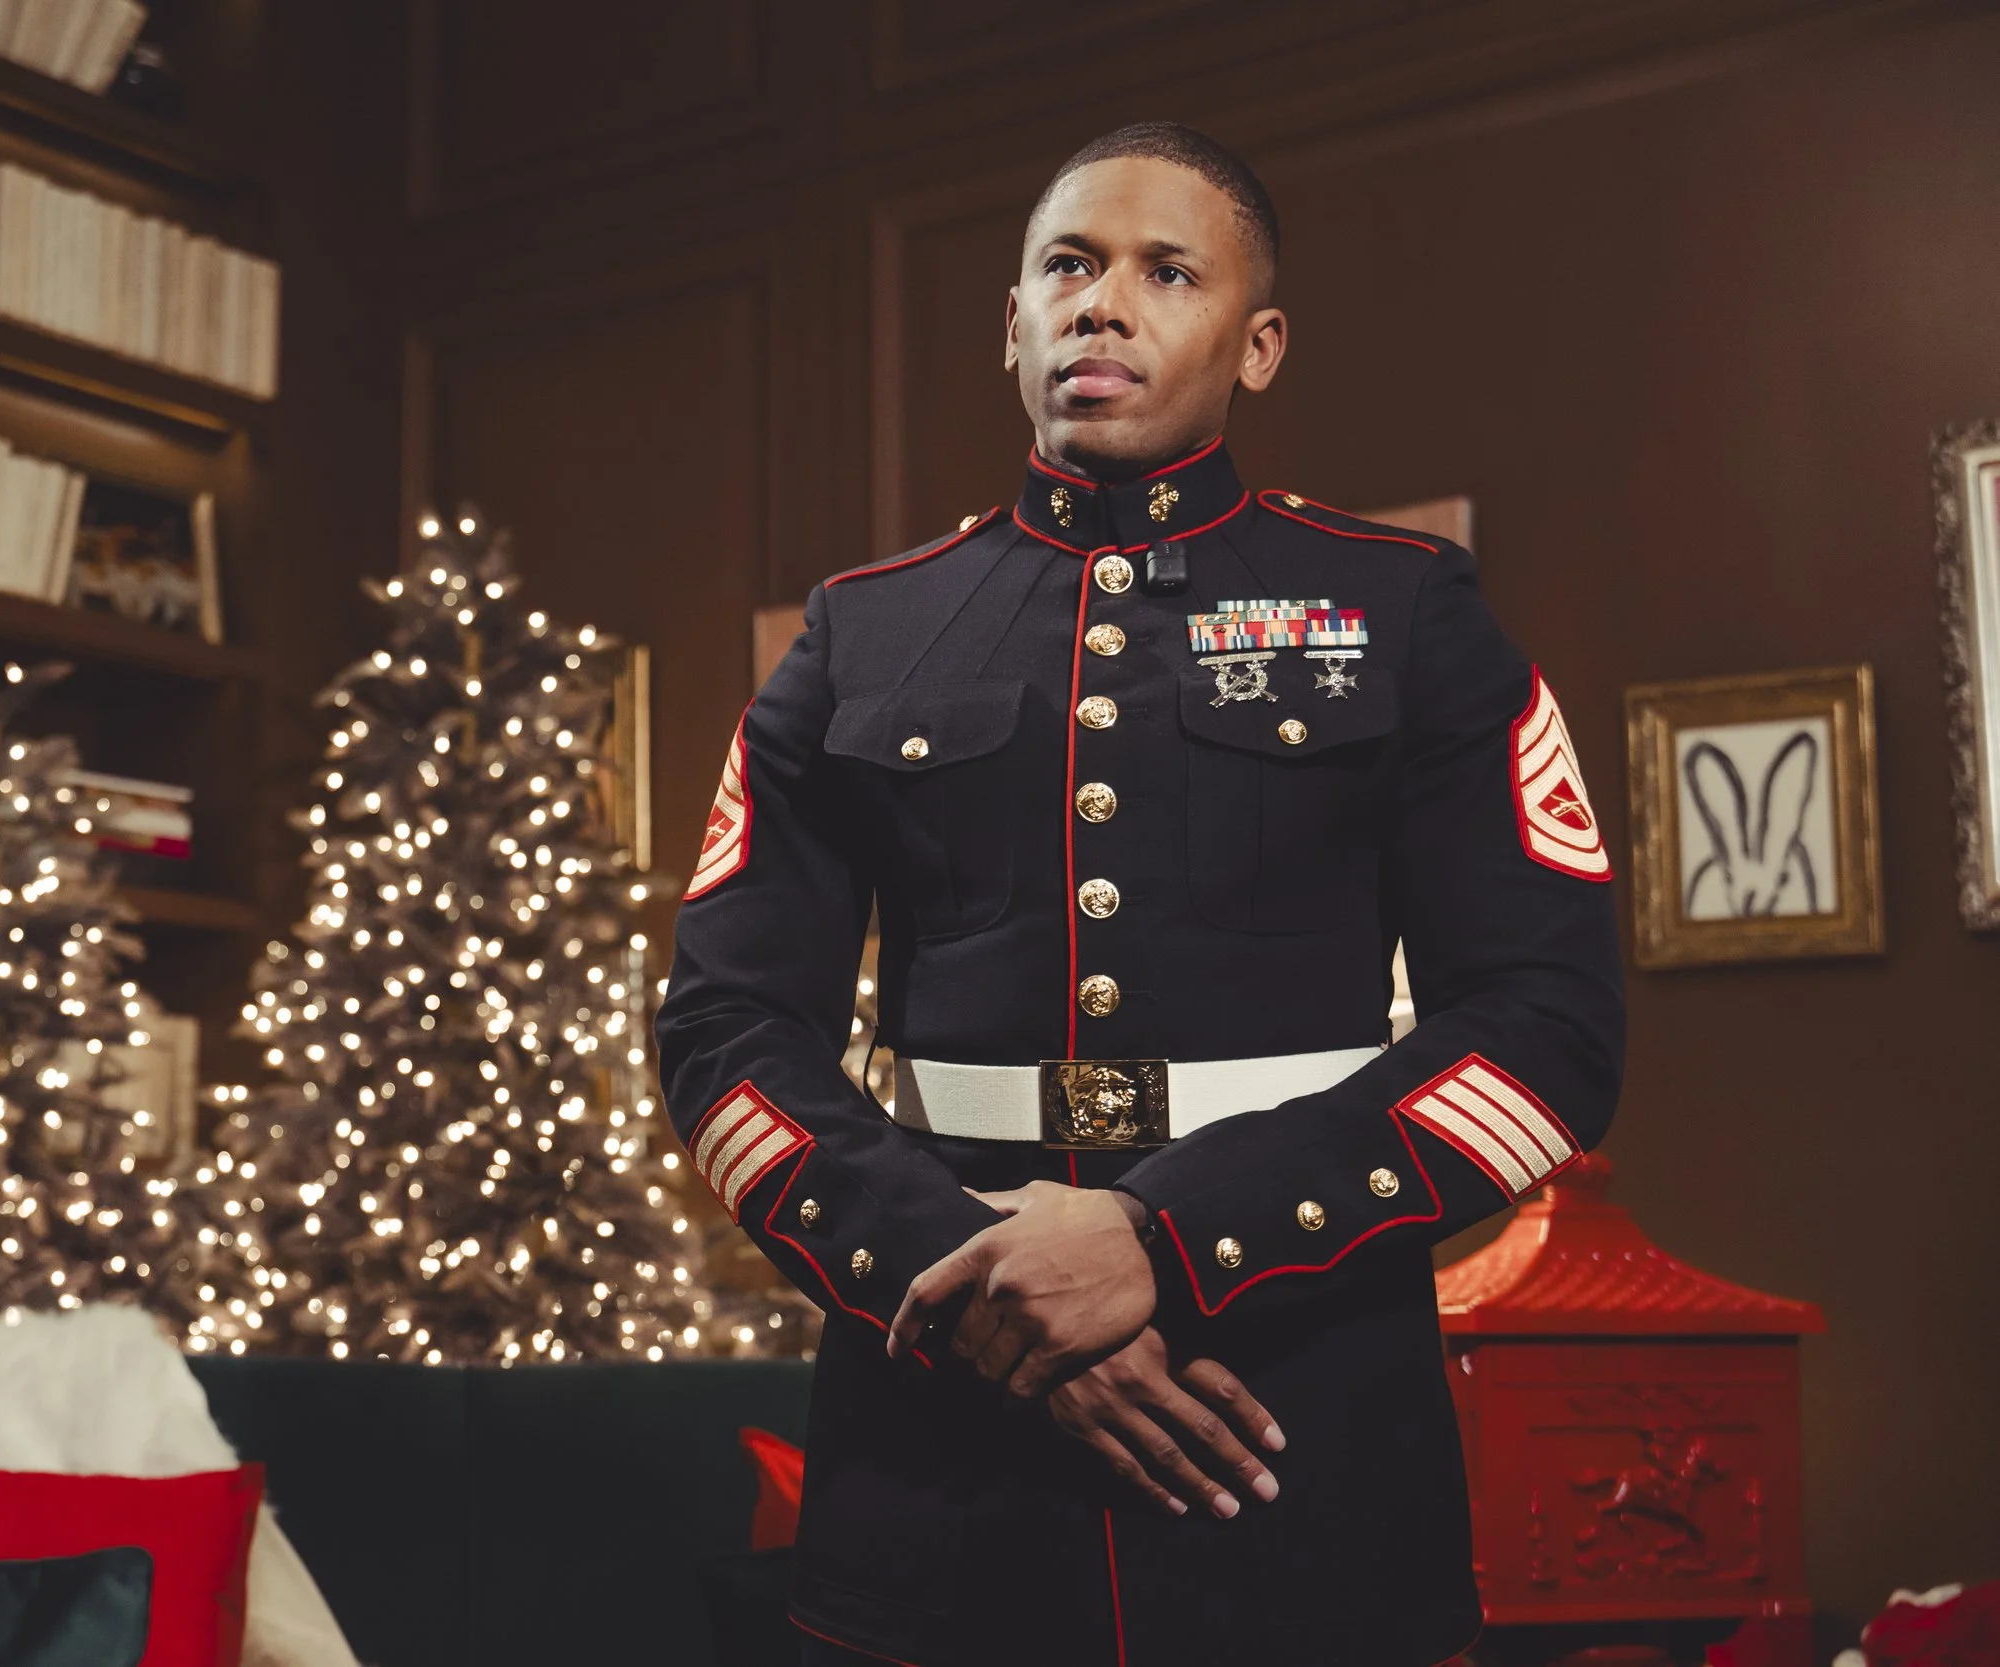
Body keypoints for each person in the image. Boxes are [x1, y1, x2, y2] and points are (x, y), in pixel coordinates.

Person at [656, 120, 1624, 1667]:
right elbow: (720, 1032)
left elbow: (1547, 1029)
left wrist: (1165, 1243)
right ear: (1014, 327)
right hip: (934, 1452)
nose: (1103, 303)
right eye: (1068, 266)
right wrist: (964, 1282)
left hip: (1287, 1418)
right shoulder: (862, 632)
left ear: (1258, 344)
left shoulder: (1403, 608)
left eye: (1167, 272)